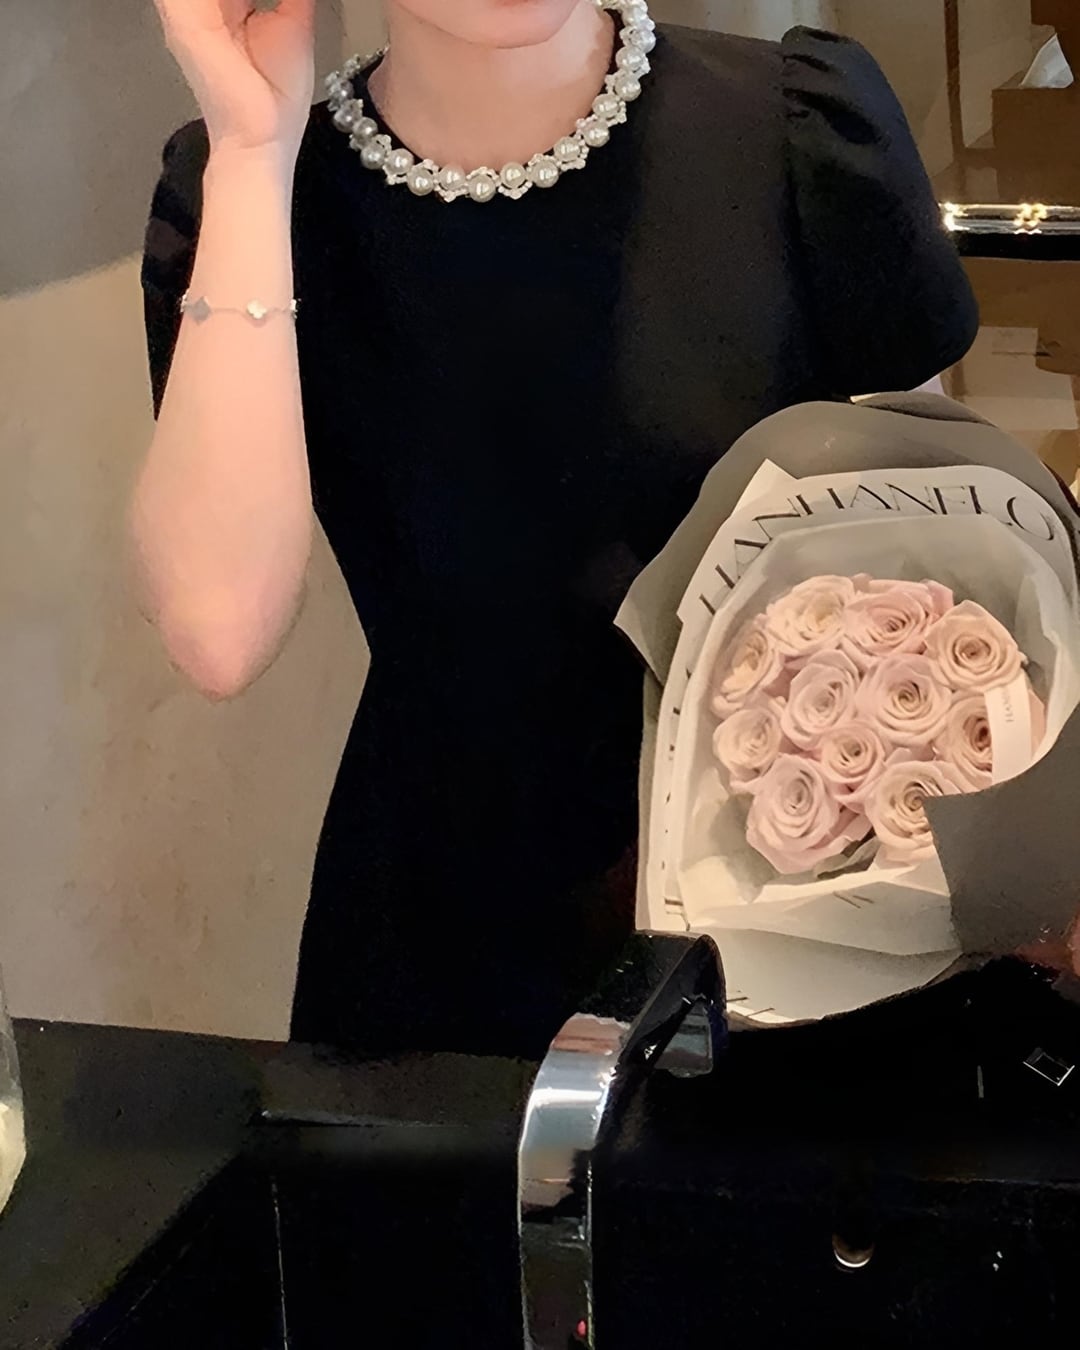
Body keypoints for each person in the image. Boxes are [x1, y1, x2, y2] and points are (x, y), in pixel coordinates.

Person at [134, 0, 978, 1058]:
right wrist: (255, 158)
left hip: (816, 914)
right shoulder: (247, 188)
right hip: (443, 942)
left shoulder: (802, 130)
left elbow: (951, 570)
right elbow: (217, 631)